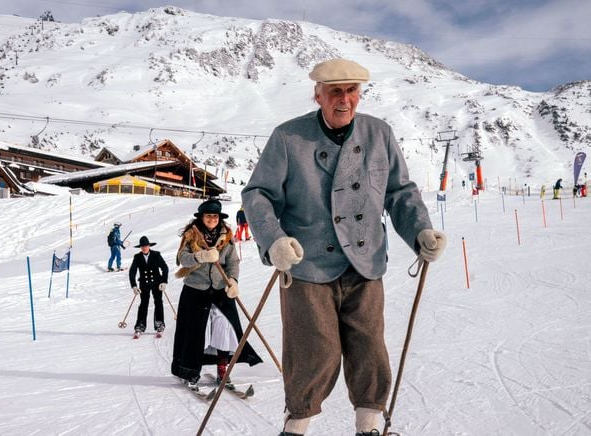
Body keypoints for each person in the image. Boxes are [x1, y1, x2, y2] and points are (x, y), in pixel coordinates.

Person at [242, 58, 446, 436]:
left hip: (366, 263)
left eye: (352, 91)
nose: (345, 99)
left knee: (369, 349)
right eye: (336, 91)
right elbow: (258, 195)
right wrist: (274, 241)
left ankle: (369, 428)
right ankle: (296, 428)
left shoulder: (379, 134)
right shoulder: (289, 138)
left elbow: (399, 192)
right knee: (313, 352)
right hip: (307, 267)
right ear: (317, 94)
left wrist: (421, 231)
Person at [171, 198, 262, 391]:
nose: (212, 219)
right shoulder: (191, 235)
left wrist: (234, 281)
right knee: (195, 333)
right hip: (195, 290)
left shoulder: (227, 237)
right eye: (208, 215)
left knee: (225, 330)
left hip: (220, 291)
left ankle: (223, 371)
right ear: (202, 217)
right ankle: (191, 372)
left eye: (215, 216)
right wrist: (200, 256)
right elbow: (182, 259)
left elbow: (233, 263)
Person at [128, 236, 169, 337]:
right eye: (142, 246)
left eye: (146, 246)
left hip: (157, 283)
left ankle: (159, 323)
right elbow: (132, 272)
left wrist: (164, 282)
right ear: (140, 247)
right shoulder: (137, 257)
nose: (144, 248)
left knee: (158, 302)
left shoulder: (156, 255)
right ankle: (140, 325)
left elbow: (165, 268)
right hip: (144, 284)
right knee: (143, 304)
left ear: (149, 246)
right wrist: (134, 286)